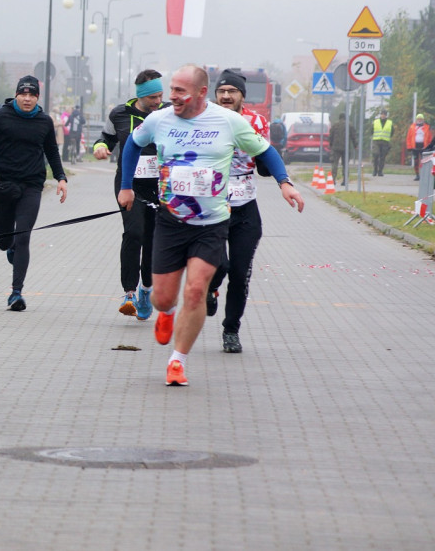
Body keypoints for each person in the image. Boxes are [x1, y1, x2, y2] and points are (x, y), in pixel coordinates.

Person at [118, 64, 304, 387]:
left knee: (195, 291)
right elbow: (133, 144)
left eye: (179, 91)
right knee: (164, 297)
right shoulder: (159, 120)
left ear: (202, 93)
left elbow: (266, 150)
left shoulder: (229, 122)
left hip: (212, 223)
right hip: (171, 222)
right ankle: (164, 313)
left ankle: (178, 361)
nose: (171, 97)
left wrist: (284, 182)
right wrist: (126, 186)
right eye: (171, 89)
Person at [0, 75, 68, 312]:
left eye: (31, 95)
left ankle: (16, 293)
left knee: (24, 236)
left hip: (31, 186)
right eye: (23, 94)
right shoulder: (0, 117)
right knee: (5, 242)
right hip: (2, 184)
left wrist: (61, 178)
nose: (27, 99)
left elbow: (52, 152)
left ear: (37, 97)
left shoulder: (44, 122)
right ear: (16, 95)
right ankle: (10, 246)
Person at [203, 69, 271, 353]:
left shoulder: (256, 122)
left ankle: (231, 330)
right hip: (212, 207)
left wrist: (269, 165)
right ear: (215, 95)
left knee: (241, 273)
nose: (227, 95)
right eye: (222, 91)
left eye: (232, 91)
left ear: (243, 96)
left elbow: (265, 162)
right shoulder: (204, 120)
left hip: (245, 207)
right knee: (221, 265)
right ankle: (210, 287)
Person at [93, 69, 165, 321]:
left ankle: (147, 289)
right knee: (133, 233)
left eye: (160, 96)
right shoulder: (120, 114)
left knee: (152, 240)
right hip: (128, 185)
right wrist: (100, 147)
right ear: (141, 95)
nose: (158, 101)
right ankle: (129, 293)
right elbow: (106, 138)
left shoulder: (168, 113)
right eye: (153, 97)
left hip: (160, 187)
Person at [329, 112, 356, 183]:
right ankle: (345, 180)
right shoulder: (349, 125)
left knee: (335, 164)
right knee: (345, 164)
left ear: (339, 118)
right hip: (346, 148)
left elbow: (331, 136)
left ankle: (333, 179)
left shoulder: (335, 125)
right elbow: (353, 136)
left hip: (336, 147)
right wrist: (355, 145)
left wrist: (331, 145)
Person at [406, 114, 431, 181]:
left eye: (421, 119)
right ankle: (417, 175)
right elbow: (409, 137)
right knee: (416, 161)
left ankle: (424, 175)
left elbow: (429, 138)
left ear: (423, 120)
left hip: (424, 147)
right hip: (415, 147)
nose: (419, 120)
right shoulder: (412, 127)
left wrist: (429, 147)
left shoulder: (427, 127)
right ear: (416, 120)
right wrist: (409, 146)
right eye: (418, 119)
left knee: (424, 162)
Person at [371, 108, 393, 176]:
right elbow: (371, 130)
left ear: (386, 115)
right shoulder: (375, 122)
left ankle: (380, 171)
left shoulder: (390, 123)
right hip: (376, 141)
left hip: (385, 141)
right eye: (382, 114)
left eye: (384, 114)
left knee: (382, 157)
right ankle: (375, 170)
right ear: (380, 115)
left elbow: (392, 131)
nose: (383, 115)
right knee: (376, 154)